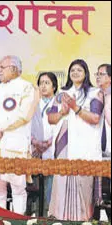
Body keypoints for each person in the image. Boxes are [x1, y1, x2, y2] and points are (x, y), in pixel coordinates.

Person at [0, 55, 39, 215]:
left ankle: (17, 221)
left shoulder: (28, 88)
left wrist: (0, 128)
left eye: (1, 68)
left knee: (18, 189)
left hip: (15, 147)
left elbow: (24, 114)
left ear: (13, 68)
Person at [47, 59, 103, 221]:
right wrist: (62, 113)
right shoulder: (62, 94)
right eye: (72, 70)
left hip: (85, 147)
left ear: (85, 73)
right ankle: (60, 220)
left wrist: (75, 107)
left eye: (79, 70)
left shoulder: (94, 93)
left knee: (82, 186)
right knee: (62, 184)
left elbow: (95, 118)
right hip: (64, 145)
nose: (75, 73)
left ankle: (83, 220)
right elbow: (51, 118)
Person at [30, 72, 58, 216]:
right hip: (34, 151)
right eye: (41, 83)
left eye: (47, 83)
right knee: (33, 188)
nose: (43, 86)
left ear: (54, 86)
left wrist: (47, 143)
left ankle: (46, 215)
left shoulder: (59, 103)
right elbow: (26, 125)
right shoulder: (33, 103)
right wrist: (35, 142)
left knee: (49, 187)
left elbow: (61, 126)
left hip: (51, 150)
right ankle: (33, 216)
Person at [92, 63, 111, 220]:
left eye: (102, 74)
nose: (98, 76)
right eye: (96, 73)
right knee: (96, 195)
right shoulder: (95, 95)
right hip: (96, 151)